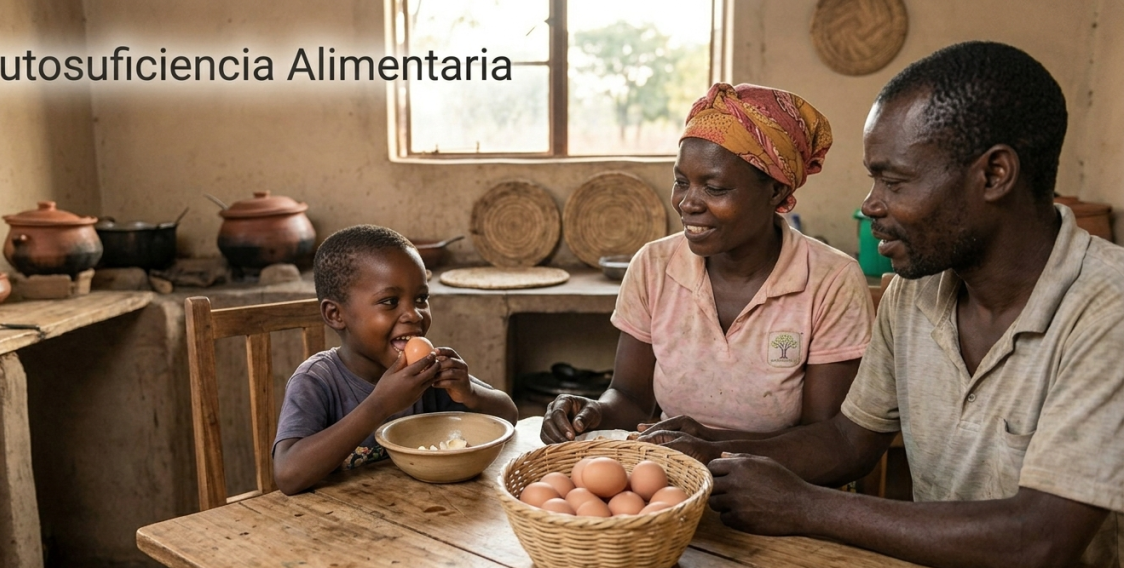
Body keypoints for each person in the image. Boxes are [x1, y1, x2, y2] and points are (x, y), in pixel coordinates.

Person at [642, 41, 1124, 568]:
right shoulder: (916, 291)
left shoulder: (1108, 307)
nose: (871, 204)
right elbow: (849, 441)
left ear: (993, 175)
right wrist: (708, 449)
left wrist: (806, 506)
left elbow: (1040, 539)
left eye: (893, 182)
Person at [541, 83, 874, 444]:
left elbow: (823, 439)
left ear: (777, 190)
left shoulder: (830, 280)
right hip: (674, 476)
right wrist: (595, 411)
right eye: (681, 182)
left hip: (781, 487)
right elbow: (631, 398)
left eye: (714, 188)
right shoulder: (654, 266)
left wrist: (710, 445)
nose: (688, 203)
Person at [272, 225, 518, 494]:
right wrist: (379, 405)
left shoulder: (427, 371)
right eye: (390, 301)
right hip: (338, 523)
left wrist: (470, 393)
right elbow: (287, 475)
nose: (413, 314)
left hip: (419, 513)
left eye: (421, 298)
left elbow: (509, 417)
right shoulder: (317, 381)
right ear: (335, 314)